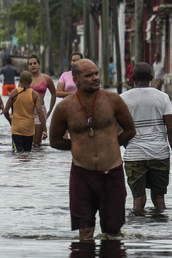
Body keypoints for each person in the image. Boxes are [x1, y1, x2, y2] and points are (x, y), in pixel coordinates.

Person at [49, 59, 136, 241]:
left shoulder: (113, 100)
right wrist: (78, 146)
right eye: (89, 75)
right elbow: (55, 141)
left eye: (96, 73)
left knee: (113, 233)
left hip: (112, 172)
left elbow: (130, 130)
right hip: (82, 174)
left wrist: (112, 143)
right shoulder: (65, 107)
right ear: (76, 80)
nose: (95, 78)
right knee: (85, 232)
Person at [120, 62, 172, 213]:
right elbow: (171, 130)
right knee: (159, 199)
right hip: (159, 154)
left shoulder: (123, 99)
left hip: (134, 156)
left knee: (138, 201)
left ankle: (138, 232)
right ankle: (159, 233)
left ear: (133, 77)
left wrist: (127, 147)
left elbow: (117, 131)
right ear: (151, 78)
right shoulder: (163, 97)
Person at [3, 70, 46, 153]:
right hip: (29, 130)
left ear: (19, 80)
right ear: (31, 81)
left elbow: (5, 111)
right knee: (27, 154)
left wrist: (10, 121)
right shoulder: (34, 94)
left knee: (17, 154)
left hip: (17, 129)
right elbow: (40, 112)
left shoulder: (14, 93)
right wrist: (44, 129)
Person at [26, 55, 56, 147]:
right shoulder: (25, 79)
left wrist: (50, 110)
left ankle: (38, 160)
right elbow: (17, 95)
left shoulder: (46, 79)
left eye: (35, 63)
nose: (33, 66)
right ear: (28, 67)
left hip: (40, 112)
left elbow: (54, 94)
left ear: (39, 65)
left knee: (37, 142)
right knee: (28, 141)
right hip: (27, 111)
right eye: (30, 64)